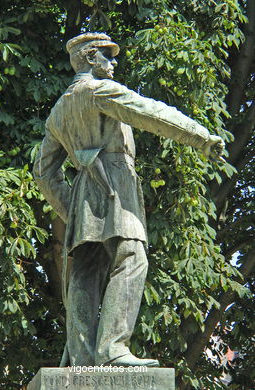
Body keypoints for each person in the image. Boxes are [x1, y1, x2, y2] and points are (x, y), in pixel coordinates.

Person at [33, 32, 225, 367]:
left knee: (86, 271)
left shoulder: (59, 109)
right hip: (115, 184)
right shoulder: (98, 90)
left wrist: (71, 209)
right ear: (91, 58)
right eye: (107, 56)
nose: (114, 62)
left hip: (83, 192)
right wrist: (203, 139)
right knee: (132, 258)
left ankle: (83, 357)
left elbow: (43, 172)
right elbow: (150, 113)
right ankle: (113, 349)